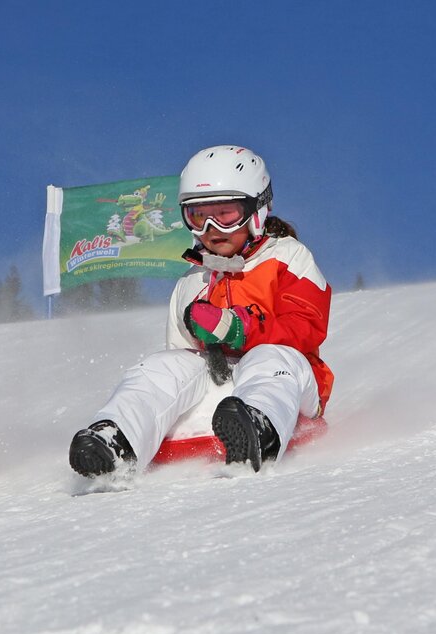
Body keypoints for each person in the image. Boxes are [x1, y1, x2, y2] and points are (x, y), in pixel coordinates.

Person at [69, 145, 333, 476]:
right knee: (159, 367)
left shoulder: (288, 258)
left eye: (225, 214)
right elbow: (181, 361)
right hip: (221, 389)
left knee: (270, 357)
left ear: (257, 210)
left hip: (290, 381)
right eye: (197, 215)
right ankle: (115, 440)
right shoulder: (192, 281)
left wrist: (240, 329)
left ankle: (260, 431)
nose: (211, 228)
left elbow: (306, 327)